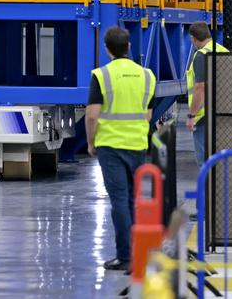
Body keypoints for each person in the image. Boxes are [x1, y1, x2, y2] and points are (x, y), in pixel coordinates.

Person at [85, 26, 155, 275]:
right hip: (137, 145)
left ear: (107, 49)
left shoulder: (101, 75)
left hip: (111, 146)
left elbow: (92, 115)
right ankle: (140, 252)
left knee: (119, 200)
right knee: (134, 200)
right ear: (129, 47)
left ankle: (125, 256)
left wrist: (91, 142)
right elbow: (148, 113)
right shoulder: (146, 75)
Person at [185, 22, 228, 166]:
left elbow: (200, 88)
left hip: (204, 117)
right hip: (224, 113)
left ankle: (208, 188)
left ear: (193, 38)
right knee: (221, 160)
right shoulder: (223, 50)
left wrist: (191, 115)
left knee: (205, 162)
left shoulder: (201, 55)